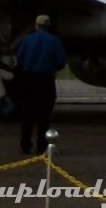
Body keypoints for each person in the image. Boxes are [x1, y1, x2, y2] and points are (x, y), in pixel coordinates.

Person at [14, 14, 67, 154]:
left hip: (29, 79)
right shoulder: (55, 41)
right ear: (49, 27)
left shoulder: (28, 39)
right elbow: (61, 61)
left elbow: (19, 57)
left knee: (27, 115)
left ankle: (25, 146)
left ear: (36, 25)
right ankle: (41, 146)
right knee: (44, 116)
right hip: (46, 80)